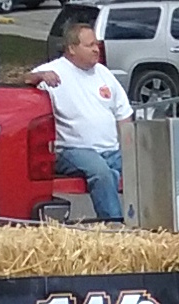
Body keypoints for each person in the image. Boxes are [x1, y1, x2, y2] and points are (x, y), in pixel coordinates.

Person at [27, 22, 133, 221]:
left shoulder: (104, 73)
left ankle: (152, 222)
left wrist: (130, 151)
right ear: (72, 49)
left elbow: (123, 115)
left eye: (97, 44)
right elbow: (22, 81)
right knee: (101, 173)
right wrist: (38, 76)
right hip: (72, 150)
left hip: (111, 150)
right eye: (90, 45)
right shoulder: (52, 72)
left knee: (146, 167)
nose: (96, 49)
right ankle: (114, 225)